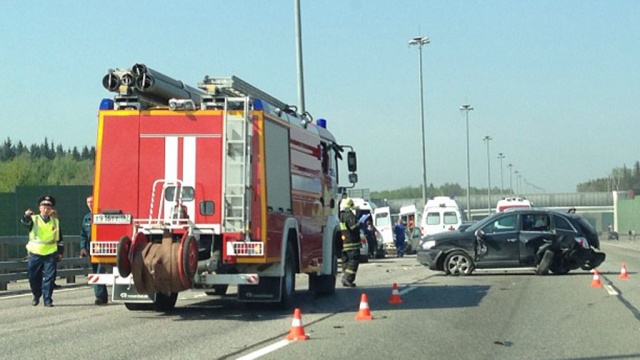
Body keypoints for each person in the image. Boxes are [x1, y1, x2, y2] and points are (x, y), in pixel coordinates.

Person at [21, 195, 63, 307]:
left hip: (50, 253)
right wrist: (26, 216)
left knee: (50, 277)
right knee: (33, 276)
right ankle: (36, 294)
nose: (46, 209)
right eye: (44, 207)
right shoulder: (33, 219)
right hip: (35, 253)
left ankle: (47, 299)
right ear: (39, 208)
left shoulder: (55, 222)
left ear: (51, 209)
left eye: (48, 207)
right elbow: (25, 222)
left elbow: (59, 238)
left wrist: (60, 252)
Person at [79, 195, 108, 305]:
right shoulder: (86, 217)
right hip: (91, 249)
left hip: (103, 248)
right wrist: (83, 247)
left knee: (100, 272)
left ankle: (99, 296)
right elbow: (83, 235)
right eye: (88, 202)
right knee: (96, 272)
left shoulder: (102, 215)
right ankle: (102, 296)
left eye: (91, 201)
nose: (90, 204)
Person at [339, 198, 361, 287]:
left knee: (346, 261)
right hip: (352, 243)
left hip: (343, 244)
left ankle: (345, 278)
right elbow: (353, 227)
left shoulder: (340, 215)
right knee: (353, 261)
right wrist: (359, 222)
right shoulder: (349, 215)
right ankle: (348, 278)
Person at [50, 209, 62, 289]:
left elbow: (60, 240)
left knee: (52, 269)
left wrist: (60, 252)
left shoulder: (57, 225)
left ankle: (51, 283)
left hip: (54, 250)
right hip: (43, 251)